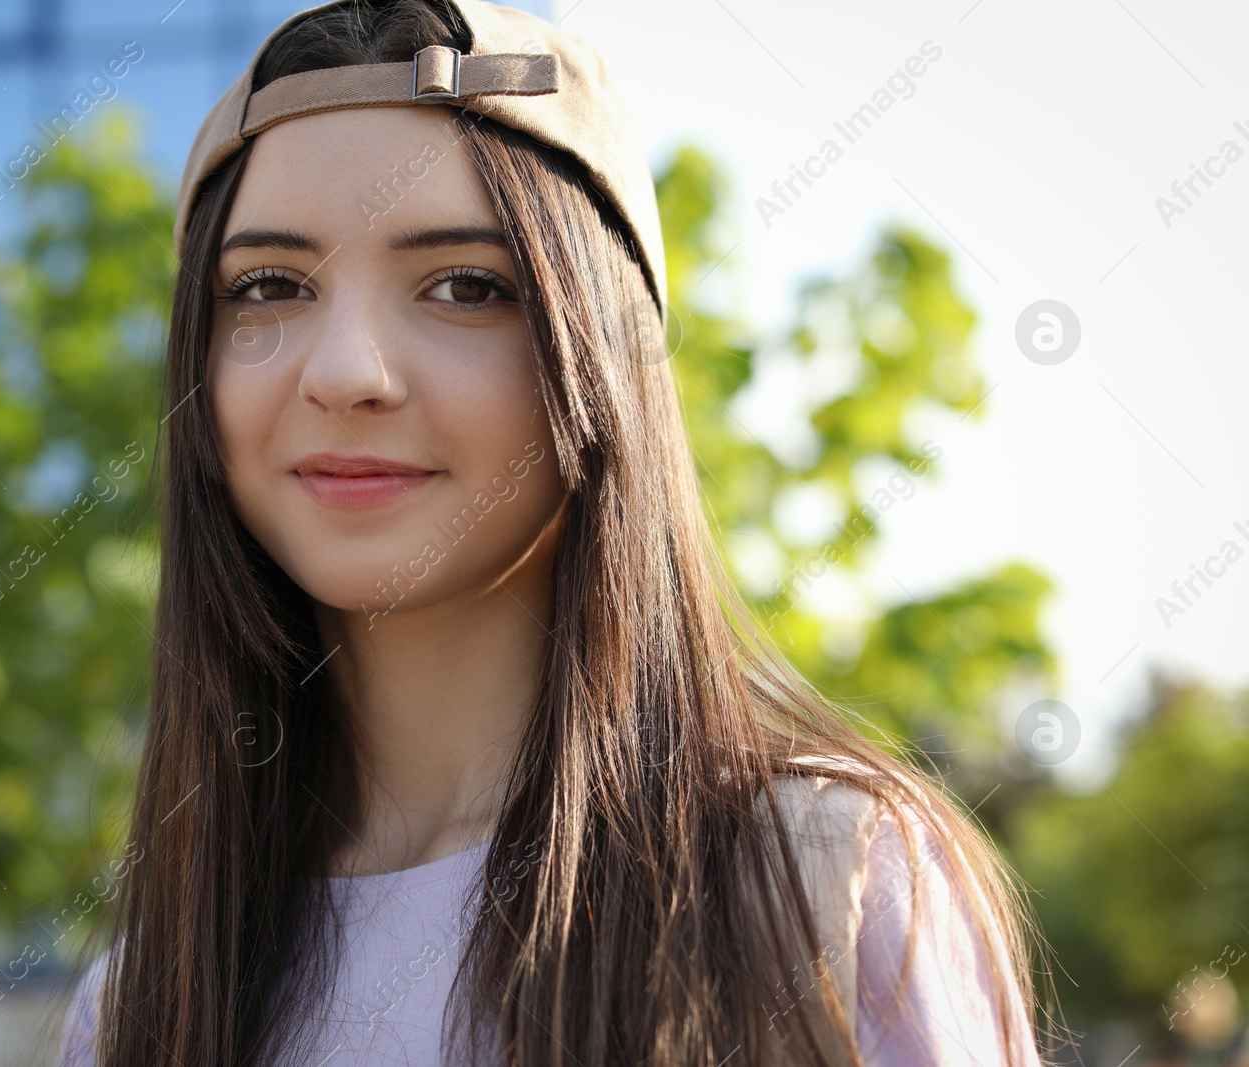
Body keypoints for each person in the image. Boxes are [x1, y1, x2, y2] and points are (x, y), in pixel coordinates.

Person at [57, 0, 1047, 1063]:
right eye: (268, 287)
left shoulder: (823, 887)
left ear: (602, 354)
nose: (345, 370)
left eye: (465, 286)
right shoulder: (137, 1005)